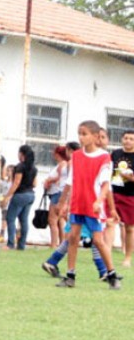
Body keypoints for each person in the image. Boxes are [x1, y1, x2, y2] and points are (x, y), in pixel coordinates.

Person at [50, 121, 121, 289]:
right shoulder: (76, 156)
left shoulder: (104, 157)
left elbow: (105, 184)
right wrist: (62, 203)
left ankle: (111, 274)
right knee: (73, 238)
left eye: (85, 134)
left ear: (95, 137)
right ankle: (70, 275)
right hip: (77, 203)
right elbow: (70, 180)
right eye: (79, 134)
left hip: (93, 205)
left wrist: (99, 201)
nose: (81, 137)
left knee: (98, 240)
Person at [1, 145, 38, 250]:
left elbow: (16, 182)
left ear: (21, 154)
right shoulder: (34, 168)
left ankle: (10, 243)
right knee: (24, 220)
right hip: (30, 195)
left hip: (20, 195)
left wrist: (7, 196)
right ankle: (21, 245)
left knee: (10, 218)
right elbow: (35, 184)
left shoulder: (20, 167)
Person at [111, 130, 134, 268]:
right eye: (126, 138)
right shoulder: (116, 154)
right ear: (121, 139)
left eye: (131, 139)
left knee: (129, 228)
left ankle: (127, 257)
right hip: (113, 193)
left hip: (130, 196)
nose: (128, 141)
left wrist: (130, 178)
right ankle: (106, 253)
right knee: (108, 224)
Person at [42, 145, 71, 249]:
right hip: (58, 192)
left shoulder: (62, 165)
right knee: (60, 220)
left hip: (57, 192)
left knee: (52, 220)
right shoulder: (65, 164)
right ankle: (62, 242)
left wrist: (48, 181)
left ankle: (54, 243)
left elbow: (58, 178)